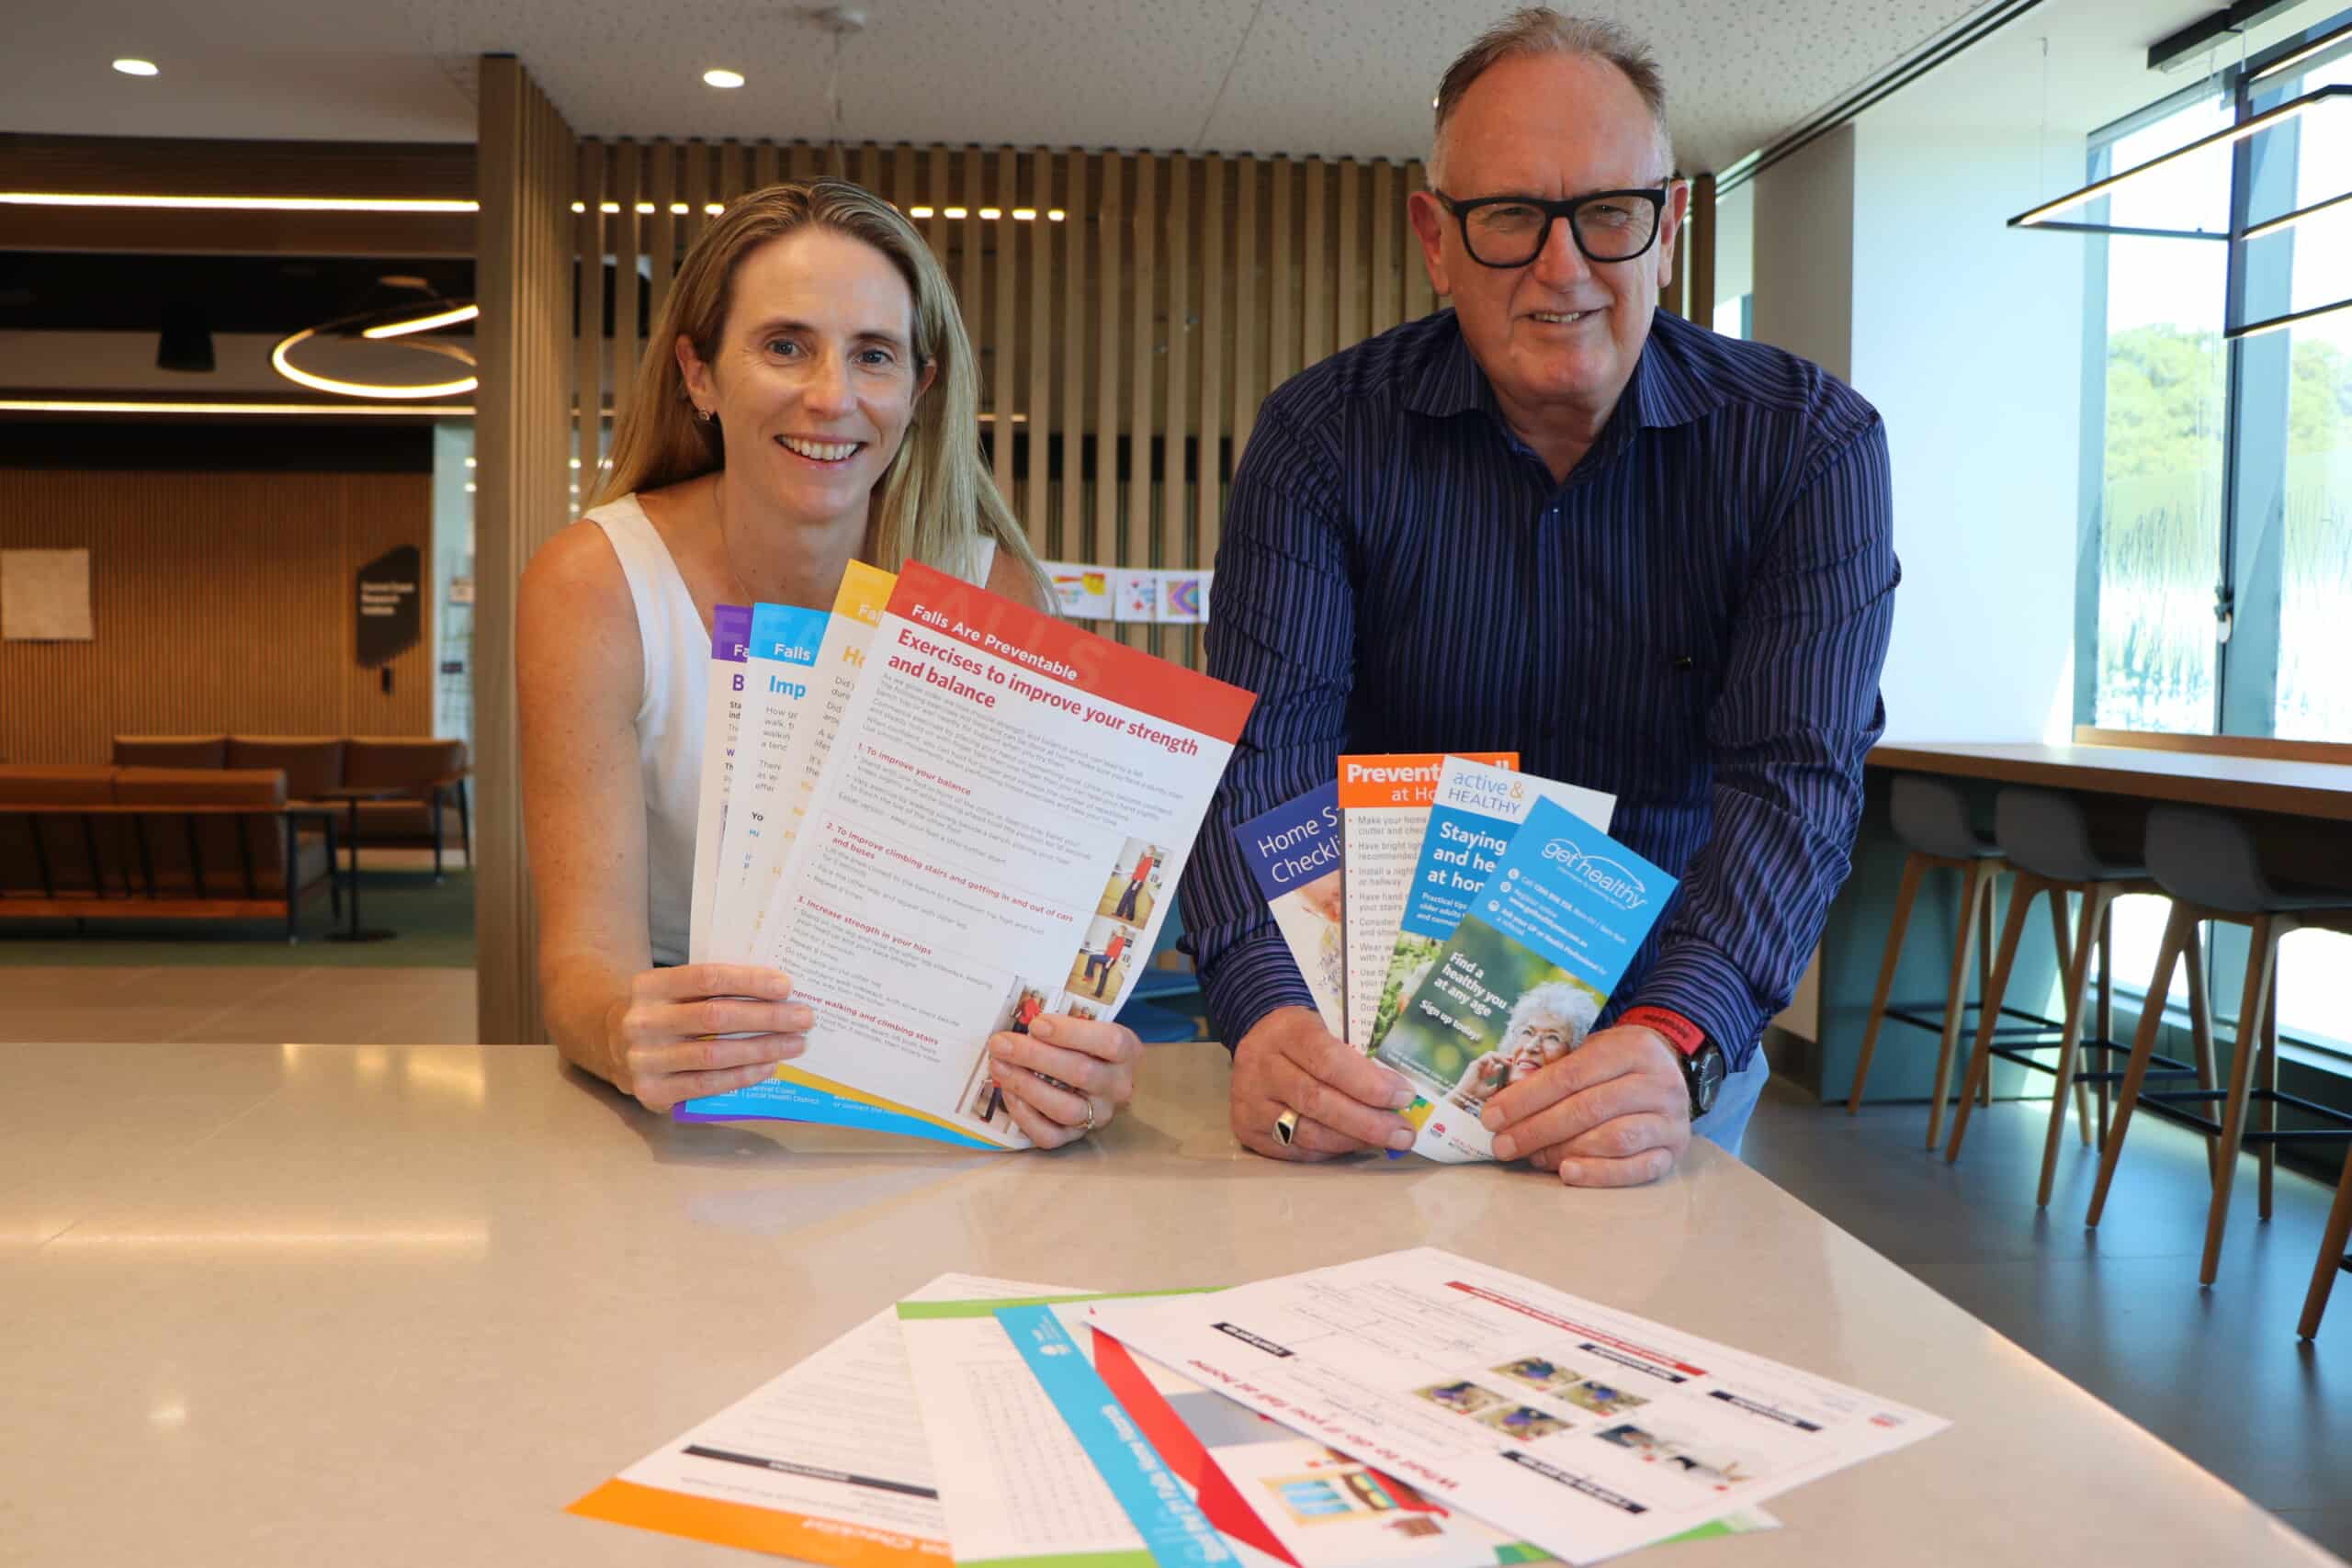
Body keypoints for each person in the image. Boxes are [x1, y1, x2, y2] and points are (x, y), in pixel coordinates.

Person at [1182, 10, 1897, 1183]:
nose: (1561, 268)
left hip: (1659, 1055)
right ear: (1435, 236)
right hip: (1364, 1060)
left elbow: (1793, 781)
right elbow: (1266, 755)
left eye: (1606, 214)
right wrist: (1265, 1011)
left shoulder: (1807, 447)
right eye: (1509, 215)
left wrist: (1676, 1038)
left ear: (1666, 225)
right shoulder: (1321, 438)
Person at [519, 180, 1143, 1145]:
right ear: (698, 375)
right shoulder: (594, 584)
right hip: (690, 1116)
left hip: (926, 1107)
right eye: (784, 346)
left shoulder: (993, 593)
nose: (832, 397)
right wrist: (622, 1030)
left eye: (873, 356)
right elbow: (585, 970)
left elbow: (1028, 954)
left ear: (919, 392)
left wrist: (1075, 1056)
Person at [1113, 845, 1158, 922]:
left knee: (1126, 897)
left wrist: (1137, 883)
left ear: (1150, 851)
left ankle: (1120, 914)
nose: (1145, 851)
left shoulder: (1149, 860)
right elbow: (1138, 871)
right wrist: (1130, 874)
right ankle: (1129, 916)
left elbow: (1144, 873)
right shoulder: (1146, 859)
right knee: (1130, 899)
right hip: (1137, 881)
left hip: (1138, 882)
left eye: (1147, 850)